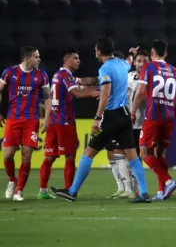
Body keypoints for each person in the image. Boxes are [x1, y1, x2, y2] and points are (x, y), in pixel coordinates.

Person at [51, 37, 150, 203]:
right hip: (125, 116)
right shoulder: (122, 64)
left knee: (89, 152)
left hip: (111, 117)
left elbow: (105, 94)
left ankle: (73, 191)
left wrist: (97, 118)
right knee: (133, 156)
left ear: (98, 51)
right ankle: (144, 193)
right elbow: (129, 61)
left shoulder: (105, 69)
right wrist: (131, 54)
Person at [38, 49, 99, 199]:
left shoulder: (60, 75)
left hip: (53, 120)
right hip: (64, 121)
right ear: (67, 60)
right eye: (75, 58)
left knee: (49, 157)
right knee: (70, 156)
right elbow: (77, 93)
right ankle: (68, 190)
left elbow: (85, 81)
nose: (79, 61)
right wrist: (101, 92)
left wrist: (102, 79)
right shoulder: (65, 75)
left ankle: (42, 191)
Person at [131, 39, 176, 200]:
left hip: (153, 116)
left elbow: (140, 94)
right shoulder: (175, 71)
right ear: (166, 53)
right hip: (169, 117)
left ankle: (168, 181)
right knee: (160, 152)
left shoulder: (148, 67)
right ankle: (161, 191)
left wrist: (132, 112)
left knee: (144, 152)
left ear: (152, 53)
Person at [0, 46, 51, 201]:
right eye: (36, 57)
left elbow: (47, 98)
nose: (39, 59)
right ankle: (12, 180)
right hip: (13, 119)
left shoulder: (42, 75)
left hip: (31, 120)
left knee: (26, 156)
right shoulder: (10, 72)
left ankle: (19, 191)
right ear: (26, 58)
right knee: (8, 155)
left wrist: (47, 117)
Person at [106, 49, 150, 199]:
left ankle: (136, 189)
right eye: (139, 61)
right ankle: (126, 189)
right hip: (125, 122)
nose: (141, 64)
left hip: (141, 124)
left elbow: (143, 97)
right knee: (117, 152)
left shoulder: (150, 79)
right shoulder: (129, 76)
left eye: (145, 61)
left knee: (136, 158)